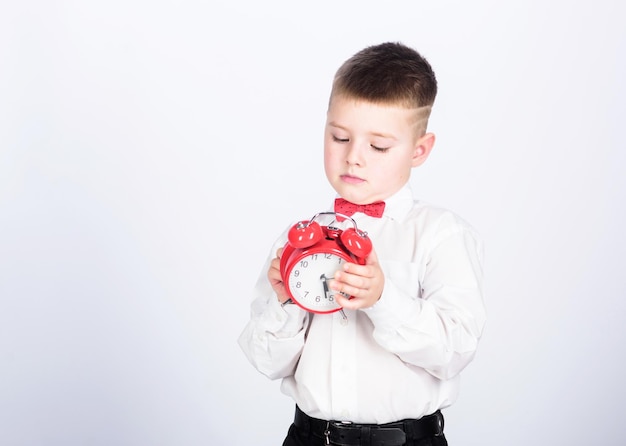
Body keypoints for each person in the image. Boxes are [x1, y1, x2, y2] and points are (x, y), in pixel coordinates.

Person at [238, 42, 486, 446]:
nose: (354, 157)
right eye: (339, 137)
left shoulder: (441, 234)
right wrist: (286, 302)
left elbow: (454, 350)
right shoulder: (296, 239)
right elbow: (266, 361)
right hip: (310, 438)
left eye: (378, 146)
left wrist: (383, 298)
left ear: (418, 150)